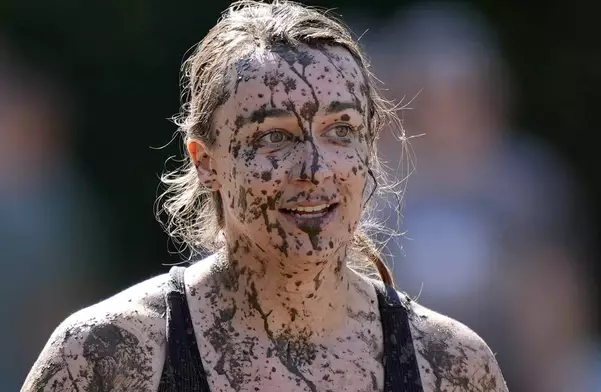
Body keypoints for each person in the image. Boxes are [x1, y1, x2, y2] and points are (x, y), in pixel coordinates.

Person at [22, 1, 508, 391]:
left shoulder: (449, 366)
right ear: (205, 161)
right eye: (274, 137)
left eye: (341, 131)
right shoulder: (114, 355)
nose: (316, 169)